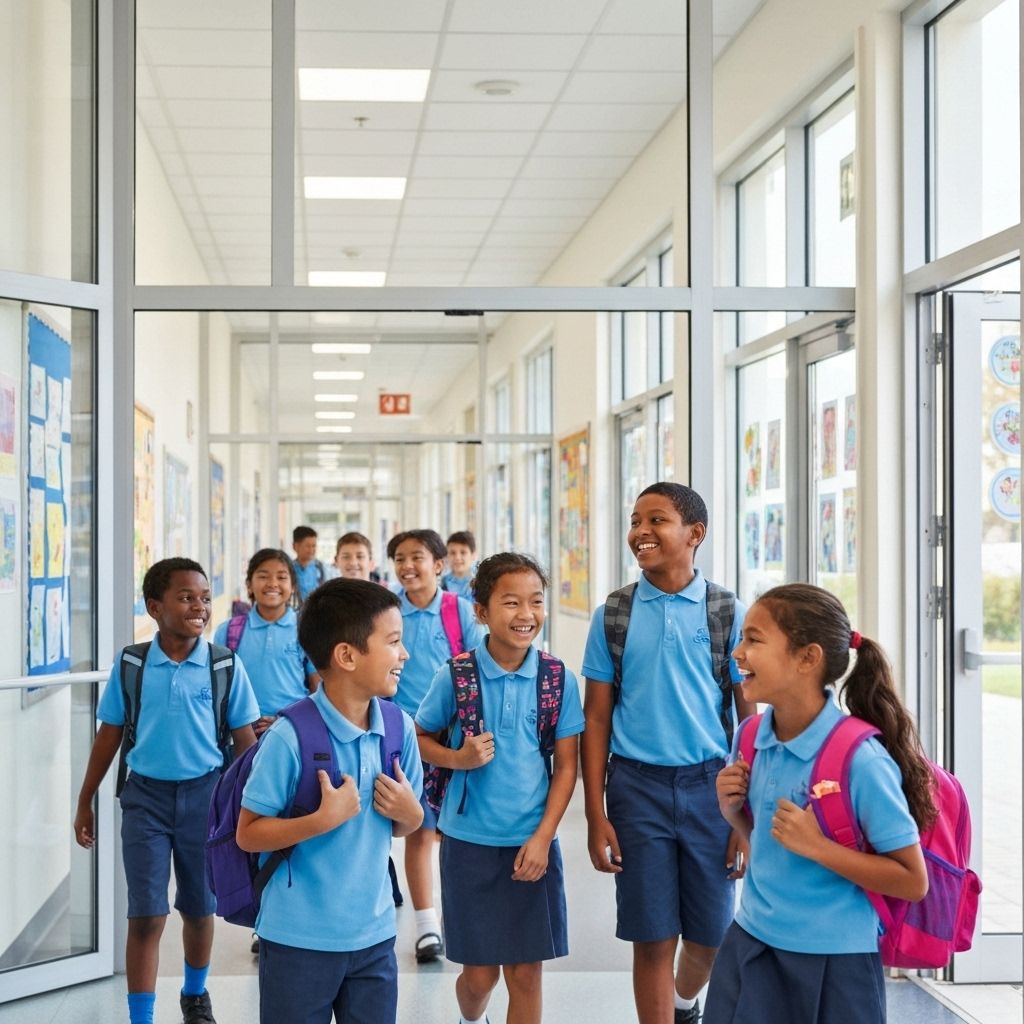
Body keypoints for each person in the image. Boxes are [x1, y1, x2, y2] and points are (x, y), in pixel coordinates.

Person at [706, 584, 931, 1024]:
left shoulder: (860, 759)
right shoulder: (749, 738)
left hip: (835, 963)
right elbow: (771, 846)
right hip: (751, 944)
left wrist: (819, 847)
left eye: (754, 639)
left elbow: (912, 880)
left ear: (807, 658)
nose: (738, 653)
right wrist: (733, 813)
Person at [580, 482, 754, 1024]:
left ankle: (684, 1005)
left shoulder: (726, 610)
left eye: (656, 520)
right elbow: (596, 718)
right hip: (637, 790)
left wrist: (744, 815)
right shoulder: (615, 613)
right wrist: (594, 813)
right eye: (635, 520)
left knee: (710, 936)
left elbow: (749, 719)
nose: (640, 532)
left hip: (712, 790)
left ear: (695, 534)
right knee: (652, 938)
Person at [74, 558, 260, 1024]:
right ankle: (141, 1015)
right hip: (146, 801)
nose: (198, 606)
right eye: (185, 597)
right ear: (154, 607)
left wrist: (249, 809)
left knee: (199, 908)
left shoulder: (223, 665)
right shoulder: (133, 663)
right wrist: (85, 799)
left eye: (203, 597)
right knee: (147, 914)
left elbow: (245, 744)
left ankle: (195, 996)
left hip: (207, 798)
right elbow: (109, 734)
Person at [237, 579, 424, 1024]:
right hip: (296, 941)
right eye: (394, 642)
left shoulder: (399, 729)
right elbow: (248, 833)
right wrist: (321, 820)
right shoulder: (289, 737)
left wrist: (410, 813)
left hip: (375, 939)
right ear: (346, 655)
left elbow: (407, 822)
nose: (405, 655)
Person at [416, 552, 584, 1024]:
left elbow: (567, 767)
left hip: (531, 845)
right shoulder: (457, 676)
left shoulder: (557, 679)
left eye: (535, 601)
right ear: (482, 611)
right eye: (511, 603)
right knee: (479, 978)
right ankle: (473, 1018)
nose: (526, 614)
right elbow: (419, 738)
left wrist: (543, 837)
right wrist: (458, 758)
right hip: (468, 844)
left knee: (527, 975)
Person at [212, 547, 320, 955]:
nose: (271, 583)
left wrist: (286, 722)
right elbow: (223, 690)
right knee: (252, 827)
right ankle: (263, 916)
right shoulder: (230, 631)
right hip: (242, 743)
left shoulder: (304, 630)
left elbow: (316, 688)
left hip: (293, 738)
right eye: (263, 575)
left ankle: (291, 911)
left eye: (281, 576)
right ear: (250, 582)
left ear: (292, 587)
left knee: (289, 828)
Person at [390, 528, 485, 963]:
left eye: (417, 558)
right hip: (405, 737)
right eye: (400, 559)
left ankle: (459, 917)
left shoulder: (458, 610)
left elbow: (475, 669)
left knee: (455, 832)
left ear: (439, 566)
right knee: (419, 830)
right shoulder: (388, 613)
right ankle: (427, 925)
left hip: (452, 736)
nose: (408, 566)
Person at [292, 525, 326, 603]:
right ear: (295, 546)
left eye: (314, 546)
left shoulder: (320, 568)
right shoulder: (289, 569)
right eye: (307, 546)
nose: (312, 550)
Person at [441, 530, 477, 600]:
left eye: (463, 552)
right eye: (452, 553)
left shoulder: (481, 583)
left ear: (473, 555)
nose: (457, 558)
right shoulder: (442, 584)